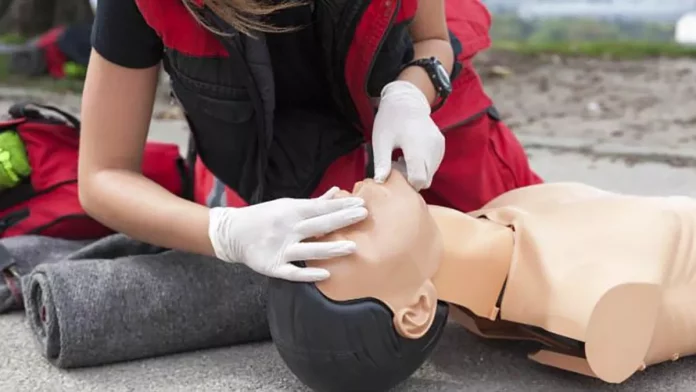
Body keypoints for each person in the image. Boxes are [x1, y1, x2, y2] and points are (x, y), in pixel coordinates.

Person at [78, 0, 541, 282]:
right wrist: (223, 233)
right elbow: (103, 174)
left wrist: (412, 94)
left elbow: (434, 39)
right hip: (271, 175)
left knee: (540, 252)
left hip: (432, 135)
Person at [268, 169, 696, 390]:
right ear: (416, 310)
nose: (340, 200)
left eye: (319, 223)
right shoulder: (593, 304)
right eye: (343, 235)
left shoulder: (497, 215)